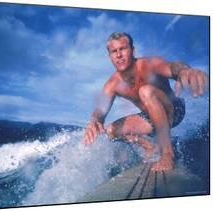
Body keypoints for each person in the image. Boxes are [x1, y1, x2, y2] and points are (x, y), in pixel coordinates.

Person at [82, 32, 208, 172]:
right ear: (110, 56)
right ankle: (150, 146)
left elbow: (172, 67)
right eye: (114, 51)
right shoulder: (112, 84)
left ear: (133, 50)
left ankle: (167, 154)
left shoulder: (148, 65)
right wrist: (94, 120)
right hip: (151, 117)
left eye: (123, 49)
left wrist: (185, 71)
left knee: (145, 91)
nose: (119, 55)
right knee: (110, 131)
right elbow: (100, 110)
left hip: (174, 109)